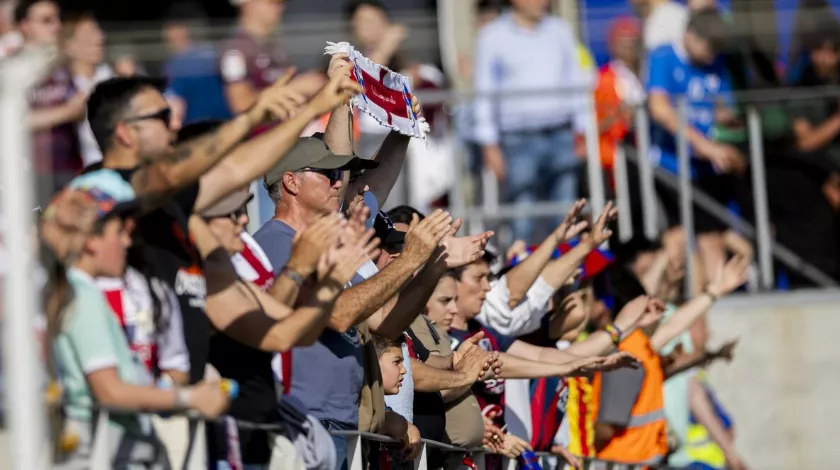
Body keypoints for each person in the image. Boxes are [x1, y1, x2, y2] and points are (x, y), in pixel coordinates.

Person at [83, 69, 362, 385]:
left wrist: (309, 110)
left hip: (188, 404)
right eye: (162, 117)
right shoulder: (99, 192)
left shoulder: (180, 211)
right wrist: (257, 116)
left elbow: (280, 332)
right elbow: (192, 173)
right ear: (125, 133)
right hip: (139, 399)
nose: (174, 124)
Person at [39, 184, 229, 469]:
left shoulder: (76, 292)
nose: (128, 242)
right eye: (119, 233)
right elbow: (110, 391)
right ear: (91, 242)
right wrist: (190, 397)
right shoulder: (83, 296)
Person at [647, 8, 744, 304]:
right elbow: (659, 108)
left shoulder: (716, 64)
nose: (711, 55)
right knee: (678, 241)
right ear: (690, 35)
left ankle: (718, 305)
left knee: (712, 238)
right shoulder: (664, 57)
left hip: (706, 169)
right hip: (669, 166)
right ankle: (674, 307)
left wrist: (727, 135)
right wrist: (702, 144)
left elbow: (724, 110)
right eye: (707, 46)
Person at [473, 0, 588, 241]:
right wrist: (488, 143)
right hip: (517, 139)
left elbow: (575, 81)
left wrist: (582, 129)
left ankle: (568, 265)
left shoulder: (560, 30)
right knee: (522, 218)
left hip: (561, 134)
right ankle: (523, 264)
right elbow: (484, 91)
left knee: (566, 214)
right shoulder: (492, 36)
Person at [17, 0, 86, 205]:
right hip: (28, 175)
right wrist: (68, 111)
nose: (57, 26)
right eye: (46, 20)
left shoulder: (61, 66)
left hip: (68, 169)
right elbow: (14, 121)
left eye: (58, 19)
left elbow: (78, 110)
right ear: (25, 26)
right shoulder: (12, 70)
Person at [162, 1, 232, 127]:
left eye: (170, 28)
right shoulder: (218, 54)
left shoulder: (177, 64)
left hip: (198, 132)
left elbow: (175, 111)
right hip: (230, 128)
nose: (166, 34)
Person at [62, 12, 114, 167]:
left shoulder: (112, 76)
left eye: (98, 31)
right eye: (89, 33)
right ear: (69, 45)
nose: (100, 37)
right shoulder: (61, 86)